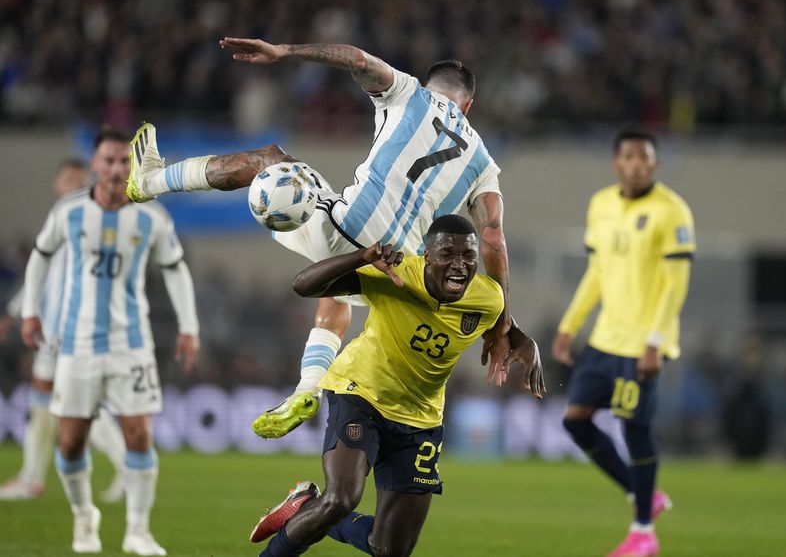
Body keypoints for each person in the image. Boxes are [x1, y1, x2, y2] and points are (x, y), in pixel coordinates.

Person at [125, 37, 541, 438]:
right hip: (395, 273)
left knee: (270, 159)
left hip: (345, 231)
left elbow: (357, 60)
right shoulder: (484, 162)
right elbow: (491, 237)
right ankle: (308, 387)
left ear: (430, 85)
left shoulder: (409, 92)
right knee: (343, 287)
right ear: (468, 106)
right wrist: (503, 322)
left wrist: (285, 52)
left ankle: (150, 181)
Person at [249, 214, 545, 557]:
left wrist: (527, 341)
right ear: (427, 256)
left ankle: (304, 507)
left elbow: (503, 323)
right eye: (448, 254)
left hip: (421, 421)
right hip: (360, 394)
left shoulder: (488, 297)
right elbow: (304, 285)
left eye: (468, 256)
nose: (459, 265)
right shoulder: (395, 274)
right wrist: (361, 258)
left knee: (390, 549)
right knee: (341, 499)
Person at [20, 127, 200, 555]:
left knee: (138, 435)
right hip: (76, 344)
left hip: (131, 344)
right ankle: (85, 517)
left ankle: (138, 530)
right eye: (109, 160)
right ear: (95, 165)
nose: (118, 168)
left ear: (132, 166)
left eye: (125, 161)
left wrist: (189, 326)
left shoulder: (152, 217)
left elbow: (175, 268)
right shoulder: (69, 212)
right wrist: (29, 310)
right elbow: (41, 255)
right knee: (70, 441)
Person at [552, 129, 695, 557]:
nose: (635, 164)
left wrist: (655, 342)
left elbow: (675, 284)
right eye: (628, 157)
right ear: (617, 162)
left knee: (635, 430)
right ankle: (642, 492)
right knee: (575, 420)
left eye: (643, 157)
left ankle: (643, 532)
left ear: (654, 164)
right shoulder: (601, 204)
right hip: (605, 338)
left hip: (644, 344)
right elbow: (597, 272)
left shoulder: (671, 211)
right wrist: (569, 325)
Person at [0, 159, 127, 504]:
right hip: (54, 327)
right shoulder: (63, 215)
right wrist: (17, 312)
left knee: (76, 401)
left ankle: (127, 467)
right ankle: (32, 477)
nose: (74, 182)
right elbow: (41, 272)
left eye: (79, 177)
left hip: (76, 326)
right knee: (51, 398)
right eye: (68, 177)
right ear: (57, 184)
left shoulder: (92, 218)